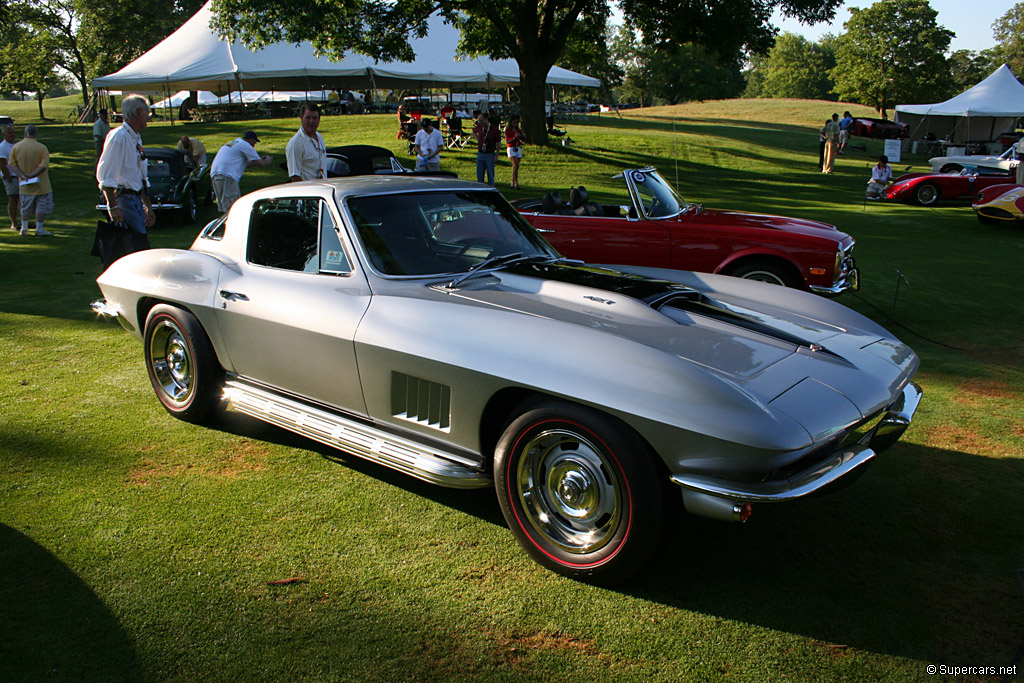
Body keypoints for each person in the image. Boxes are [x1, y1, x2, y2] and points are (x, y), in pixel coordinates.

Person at [97, 94, 156, 241]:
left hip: (135, 198)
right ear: (140, 112)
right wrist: (113, 206)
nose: (148, 118)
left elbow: (139, 174)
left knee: (138, 242)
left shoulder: (135, 137)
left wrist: (147, 205)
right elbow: (107, 174)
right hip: (124, 198)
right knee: (136, 243)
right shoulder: (119, 137)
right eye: (147, 113)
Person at [210, 131, 273, 212]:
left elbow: (245, 164)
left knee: (224, 205)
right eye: (254, 142)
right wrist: (269, 160)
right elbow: (261, 164)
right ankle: (232, 224)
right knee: (232, 206)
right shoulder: (245, 145)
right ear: (250, 139)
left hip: (217, 174)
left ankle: (225, 223)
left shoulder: (235, 142)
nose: (254, 145)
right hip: (227, 175)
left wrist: (259, 160)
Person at [8, 124, 53, 236]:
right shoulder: (42, 147)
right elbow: (43, 165)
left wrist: (22, 175)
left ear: (25, 134)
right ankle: (39, 228)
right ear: (36, 134)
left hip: (24, 183)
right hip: (41, 184)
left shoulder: (16, 147)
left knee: (25, 206)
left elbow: (12, 164)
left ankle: (24, 228)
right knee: (41, 206)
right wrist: (32, 174)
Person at [286, 102, 326, 182]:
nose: (311, 121)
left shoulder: (319, 137)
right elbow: (294, 177)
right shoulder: (296, 144)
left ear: (319, 119)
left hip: (322, 190)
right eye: (308, 118)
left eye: (314, 118)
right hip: (308, 192)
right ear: (301, 118)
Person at [0, 124, 19, 231]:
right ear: (4, 134)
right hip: (10, 176)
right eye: (9, 132)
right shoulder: (2, 147)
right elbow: (2, 165)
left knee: (22, 200)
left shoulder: (15, 145)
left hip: (19, 176)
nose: (12, 134)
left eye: (13, 132)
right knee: (13, 200)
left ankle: (25, 221)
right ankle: (14, 223)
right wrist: (9, 178)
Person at [473, 111, 500, 186]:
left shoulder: (494, 129)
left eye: (481, 121)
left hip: (490, 154)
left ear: (486, 119)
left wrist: (496, 155)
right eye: (478, 121)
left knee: (490, 175)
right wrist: (478, 139)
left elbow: (498, 142)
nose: (480, 123)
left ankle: (491, 189)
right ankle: (480, 189)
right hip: (480, 153)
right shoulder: (479, 127)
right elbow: (473, 131)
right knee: (479, 174)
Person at [504, 114, 526, 189]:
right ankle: (515, 183)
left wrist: (522, 136)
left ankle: (513, 182)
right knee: (516, 165)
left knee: (515, 167)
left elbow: (523, 140)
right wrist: (514, 137)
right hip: (511, 148)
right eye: (514, 122)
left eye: (517, 122)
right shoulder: (508, 130)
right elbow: (507, 140)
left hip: (517, 148)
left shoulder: (518, 130)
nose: (516, 124)